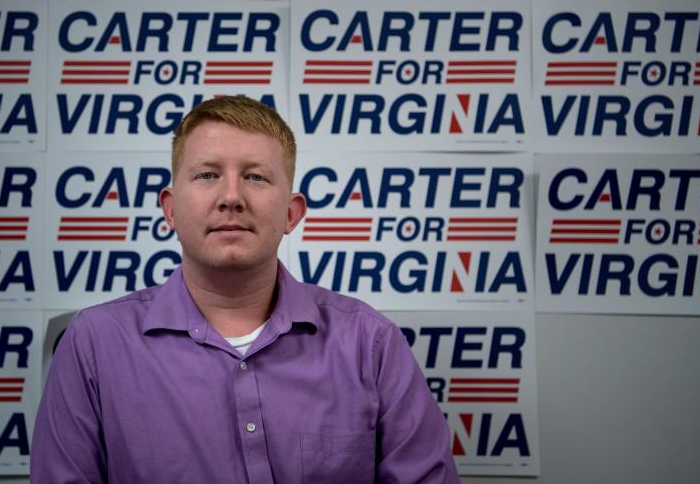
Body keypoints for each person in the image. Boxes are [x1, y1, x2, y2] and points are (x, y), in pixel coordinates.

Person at [31, 95, 460, 483]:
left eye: (255, 177)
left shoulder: (370, 342)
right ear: (171, 208)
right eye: (206, 175)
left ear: (292, 214)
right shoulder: (94, 344)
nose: (231, 196)